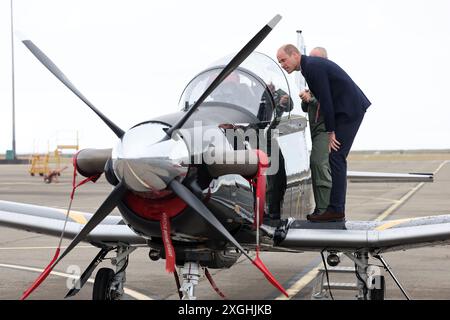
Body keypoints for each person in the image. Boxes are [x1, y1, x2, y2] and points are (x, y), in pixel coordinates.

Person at [277, 44, 371, 222]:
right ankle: (335, 209)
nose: (282, 64)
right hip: (346, 109)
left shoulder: (312, 67)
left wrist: (331, 131)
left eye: (284, 60)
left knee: (336, 157)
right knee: (335, 157)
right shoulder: (308, 67)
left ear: (295, 55)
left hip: (349, 109)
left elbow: (325, 99)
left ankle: (335, 210)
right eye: (280, 62)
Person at [299, 47, 332, 216]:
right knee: (317, 165)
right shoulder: (314, 81)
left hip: (326, 131)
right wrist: (306, 98)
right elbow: (306, 108)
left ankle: (324, 209)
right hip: (315, 132)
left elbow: (328, 102)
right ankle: (321, 208)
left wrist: (310, 99)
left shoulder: (328, 79)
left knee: (319, 164)